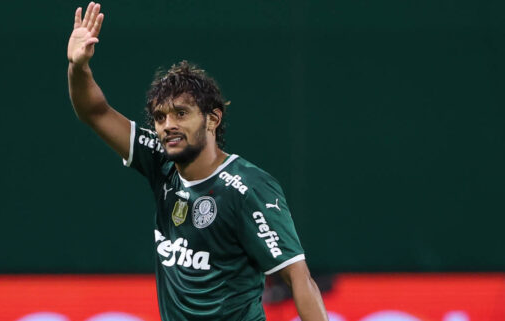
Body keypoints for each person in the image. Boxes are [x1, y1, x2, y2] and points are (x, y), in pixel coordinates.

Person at [67, 2, 329, 320]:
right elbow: (94, 111)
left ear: (212, 119)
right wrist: (78, 67)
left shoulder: (248, 188)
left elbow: (298, 278)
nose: (167, 125)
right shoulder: (160, 160)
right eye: (160, 117)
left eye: (181, 113)